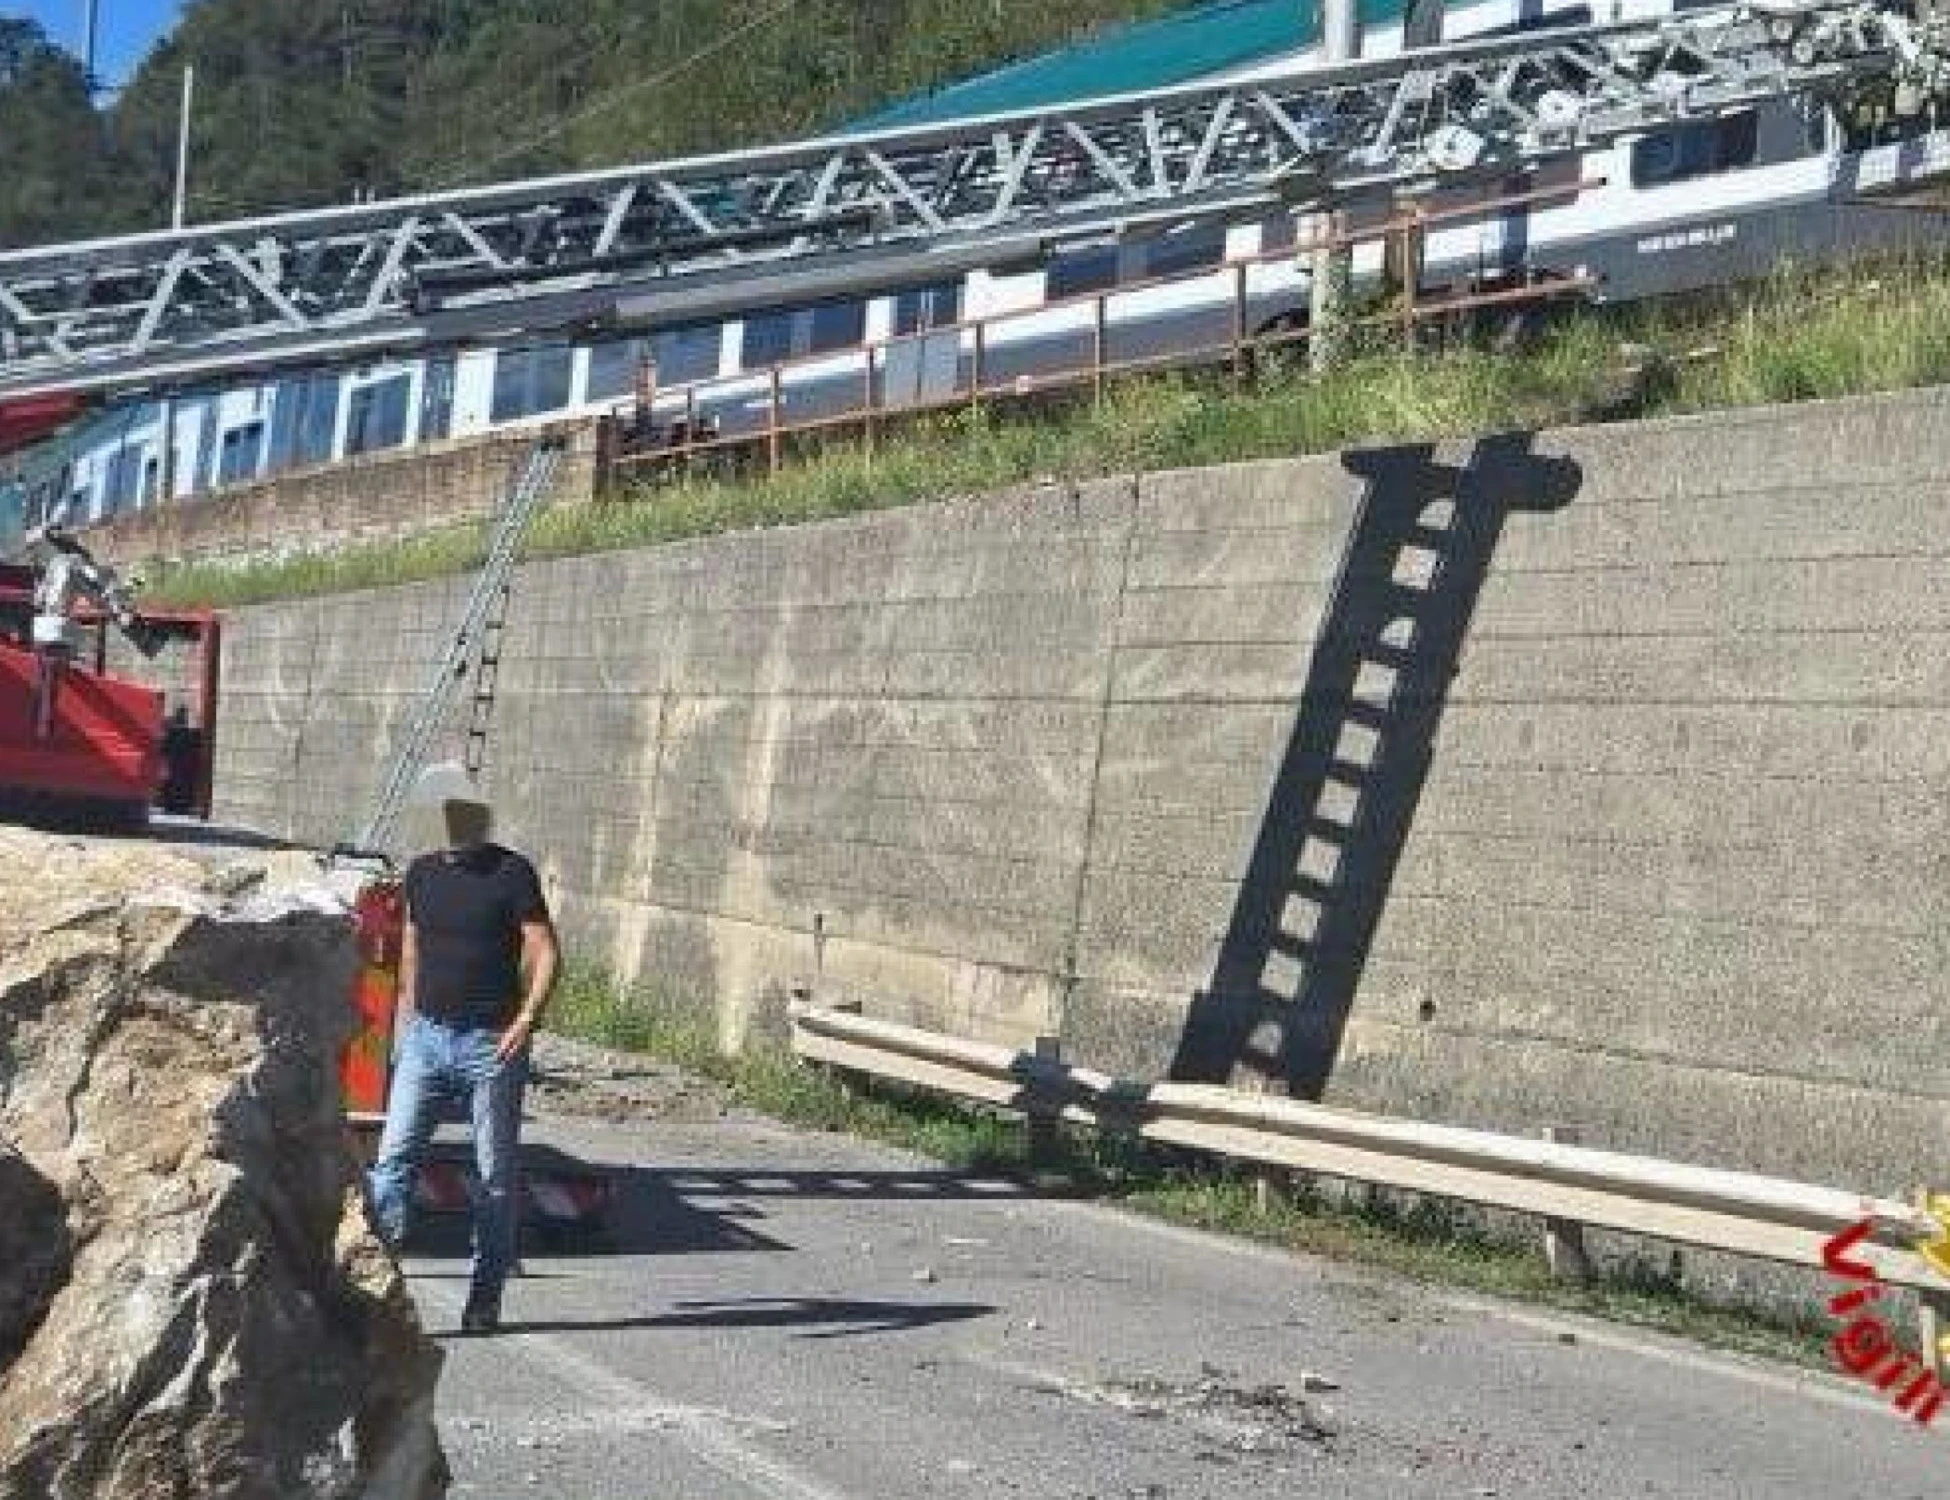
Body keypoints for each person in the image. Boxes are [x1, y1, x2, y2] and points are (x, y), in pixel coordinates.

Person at [366, 762, 559, 1334]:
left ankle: (484, 1298)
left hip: (489, 1045)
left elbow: (545, 949)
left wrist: (528, 1017)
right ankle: (379, 1281)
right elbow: (413, 945)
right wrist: (407, 1011)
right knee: (393, 1160)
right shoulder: (422, 875)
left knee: (494, 1175)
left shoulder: (511, 874)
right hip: (427, 1037)